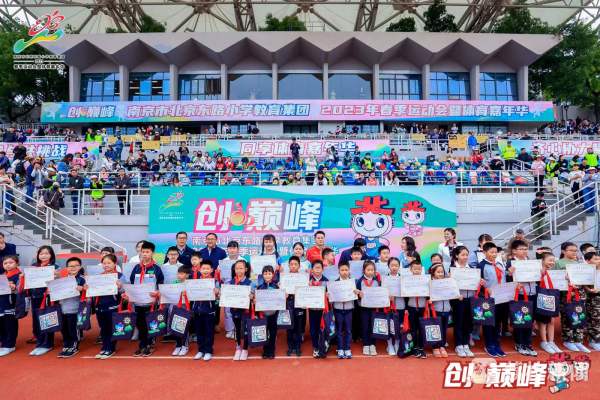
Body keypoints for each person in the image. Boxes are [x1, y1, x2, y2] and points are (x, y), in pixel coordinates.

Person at [128, 241, 164, 357]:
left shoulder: (156, 268)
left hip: (151, 302)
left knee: (150, 323)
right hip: (138, 301)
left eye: (147, 252)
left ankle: (149, 345)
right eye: (143, 252)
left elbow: (160, 283)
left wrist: (157, 292)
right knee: (140, 323)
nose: (144, 254)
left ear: (152, 253)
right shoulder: (136, 268)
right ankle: (142, 345)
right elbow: (132, 281)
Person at [89, 253, 123, 359]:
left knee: (111, 327)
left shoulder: (120, 276)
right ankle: (104, 347)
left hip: (112, 306)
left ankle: (110, 348)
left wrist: (120, 287)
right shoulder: (98, 276)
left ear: (115, 264)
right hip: (100, 306)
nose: (106, 265)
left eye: (109, 263)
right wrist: (88, 288)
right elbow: (93, 291)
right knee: (103, 328)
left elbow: (124, 291)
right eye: (104, 263)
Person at [478, 242, 507, 357]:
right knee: (489, 322)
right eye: (491, 252)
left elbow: (504, 278)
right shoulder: (481, 265)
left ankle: (497, 344)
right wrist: (484, 287)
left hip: (501, 297)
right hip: (488, 298)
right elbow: (477, 282)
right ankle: (489, 345)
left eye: (496, 252)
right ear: (485, 252)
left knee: (498, 322)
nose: (494, 254)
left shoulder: (500, 264)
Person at [29, 245, 59, 356]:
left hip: (48, 297)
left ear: (51, 255)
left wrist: (57, 276)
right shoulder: (33, 266)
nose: (44, 256)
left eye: (46, 253)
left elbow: (61, 281)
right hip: (35, 297)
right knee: (37, 320)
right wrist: (24, 276)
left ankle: (47, 344)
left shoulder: (55, 267)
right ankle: (39, 342)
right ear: (38, 255)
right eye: (41, 254)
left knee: (47, 320)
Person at [449, 246, 476, 358]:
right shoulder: (452, 269)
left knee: (468, 322)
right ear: (457, 255)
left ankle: (466, 344)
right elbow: (450, 286)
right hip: (458, 300)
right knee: (459, 322)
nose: (465, 257)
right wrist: (456, 293)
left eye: (466, 255)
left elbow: (475, 283)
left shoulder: (472, 268)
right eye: (463, 255)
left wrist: (480, 281)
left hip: (470, 299)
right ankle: (458, 345)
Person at [191, 261, 220, 361]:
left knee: (209, 332)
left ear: (212, 270)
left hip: (209, 311)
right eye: (203, 268)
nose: (205, 270)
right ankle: (200, 350)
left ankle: (208, 351)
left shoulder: (215, 281)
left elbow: (219, 296)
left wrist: (217, 292)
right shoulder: (195, 281)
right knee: (199, 331)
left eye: (208, 269)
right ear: (200, 270)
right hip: (197, 310)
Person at [58, 257, 86, 358]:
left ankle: (74, 346)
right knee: (64, 328)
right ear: (66, 268)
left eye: (76, 265)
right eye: (70, 266)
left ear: (80, 267)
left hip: (75, 309)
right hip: (62, 308)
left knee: (73, 328)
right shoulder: (62, 280)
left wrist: (83, 289)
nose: (73, 268)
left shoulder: (82, 279)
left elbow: (88, 291)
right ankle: (66, 344)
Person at [536, 252, 562, 354]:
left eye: (553, 261)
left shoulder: (554, 272)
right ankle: (544, 341)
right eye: (550, 260)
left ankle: (551, 341)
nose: (552, 262)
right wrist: (541, 274)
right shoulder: (537, 271)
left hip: (552, 297)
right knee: (543, 322)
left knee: (551, 321)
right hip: (542, 297)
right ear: (542, 261)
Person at [331, 262, 356, 359]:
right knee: (339, 330)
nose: (344, 272)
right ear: (338, 271)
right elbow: (331, 298)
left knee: (348, 330)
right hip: (338, 309)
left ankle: (347, 348)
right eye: (342, 270)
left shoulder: (352, 282)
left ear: (349, 271)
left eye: (346, 270)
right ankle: (340, 348)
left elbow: (356, 295)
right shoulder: (334, 283)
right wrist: (329, 295)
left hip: (349, 309)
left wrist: (357, 292)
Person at [355, 260, 380, 356]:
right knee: (365, 326)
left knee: (373, 326)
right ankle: (366, 344)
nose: (370, 272)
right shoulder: (359, 281)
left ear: (374, 271)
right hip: (363, 308)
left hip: (374, 308)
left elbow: (380, 293)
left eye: (372, 270)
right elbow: (355, 295)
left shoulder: (377, 281)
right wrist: (358, 295)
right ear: (363, 270)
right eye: (368, 270)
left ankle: (373, 344)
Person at [230, 259, 252, 361]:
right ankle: (238, 347)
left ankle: (245, 349)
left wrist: (252, 296)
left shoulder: (250, 283)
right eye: (237, 268)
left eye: (241, 268)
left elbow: (254, 295)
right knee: (237, 328)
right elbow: (226, 296)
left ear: (246, 269)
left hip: (246, 311)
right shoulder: (230, 283)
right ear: (234, 270)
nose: (239, 270)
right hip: (235, 310)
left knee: (246, 329)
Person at [255, 265, 279, 359]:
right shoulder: (259, 287)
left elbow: (280, 299)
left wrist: (283, 296)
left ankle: (271, 350)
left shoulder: (276, 286)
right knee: (264, 331)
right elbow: (256, 300)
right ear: (262, 275)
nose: (267, 275)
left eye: (269, 273)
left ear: (273, 275)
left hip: (273, 313)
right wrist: (255, 300)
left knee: (273, 332)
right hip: (263, 313)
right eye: (265, 274)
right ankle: (265, 350)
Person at [285, 256, 306, 357]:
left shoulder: (303, 277)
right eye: (291, 264)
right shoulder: (284, 277)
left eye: (295, 264)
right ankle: (290, 347)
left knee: (298, 327)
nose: (293, 266)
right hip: (288, 304)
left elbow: (306, 291)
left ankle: (298, 347)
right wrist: (283, 292)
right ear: (288, 265)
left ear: (299, 266)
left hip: (299, 304)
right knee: (289, 327)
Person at [406, 260, 427, 359]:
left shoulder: (426, 280)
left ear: (421, 269)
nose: (417, 271)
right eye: (415, 269)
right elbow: (404, 295)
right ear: (411, 269)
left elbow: (429, 293)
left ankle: (421, 347)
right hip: (411, 307)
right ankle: (414, 348)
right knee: (413, 329)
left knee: (422, 328)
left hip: (422, 307)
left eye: (419, 269)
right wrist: (406, 308)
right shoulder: (407, 281)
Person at [0, 255, 20, 356]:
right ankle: (3, 343)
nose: (8, 265)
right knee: (1, 324)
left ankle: (10, 345)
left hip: (11, 304)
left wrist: (14, 287)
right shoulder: (3, 276)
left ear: (17, 263)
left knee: (10, 324)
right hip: (1, 304)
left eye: (11, 263)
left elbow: (22, 289)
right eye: (5, 263)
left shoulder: (19, 275)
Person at [307, 260, 328, 358]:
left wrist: (328, 295)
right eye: (316, 268)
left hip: (323, 310)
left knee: (323, 328)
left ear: (323, 269)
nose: (318, 270)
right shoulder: (308, 281)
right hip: (312, 310)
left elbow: (330, 295)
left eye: (319, 268)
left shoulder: (326, 281)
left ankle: (323, 346)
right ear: (312, 270)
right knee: (313, 329)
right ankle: (315, 347)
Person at [430, 263, 450, 358]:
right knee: (435, 328)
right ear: (433, 273)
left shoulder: (448, 282)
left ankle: (442, 345)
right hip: (435, 309)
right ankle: (435, 347)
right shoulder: (430, 283)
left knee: (444, 328)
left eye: (442, 272)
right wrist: (429, 299)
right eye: (438, 272)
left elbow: (453, 293)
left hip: (446, 308)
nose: (440, 274)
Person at [170, 266, 190, 357]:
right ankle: (178, 345)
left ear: (187, 275)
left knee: (184, 327)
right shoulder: (174, 283)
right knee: (175, 326)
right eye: (178, 273)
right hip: (175, 307)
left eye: (182, 274)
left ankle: (185, 346)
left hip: (185, 307)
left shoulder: (190, 284)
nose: (179, 275)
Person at [585, 252, 600, 351]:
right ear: (588, 261)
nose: (599, 261)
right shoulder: (586, 272)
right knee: (595, 320)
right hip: (593, 298)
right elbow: (582, 284)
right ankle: (594, 341)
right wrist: (588, 289)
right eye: (596, 259)